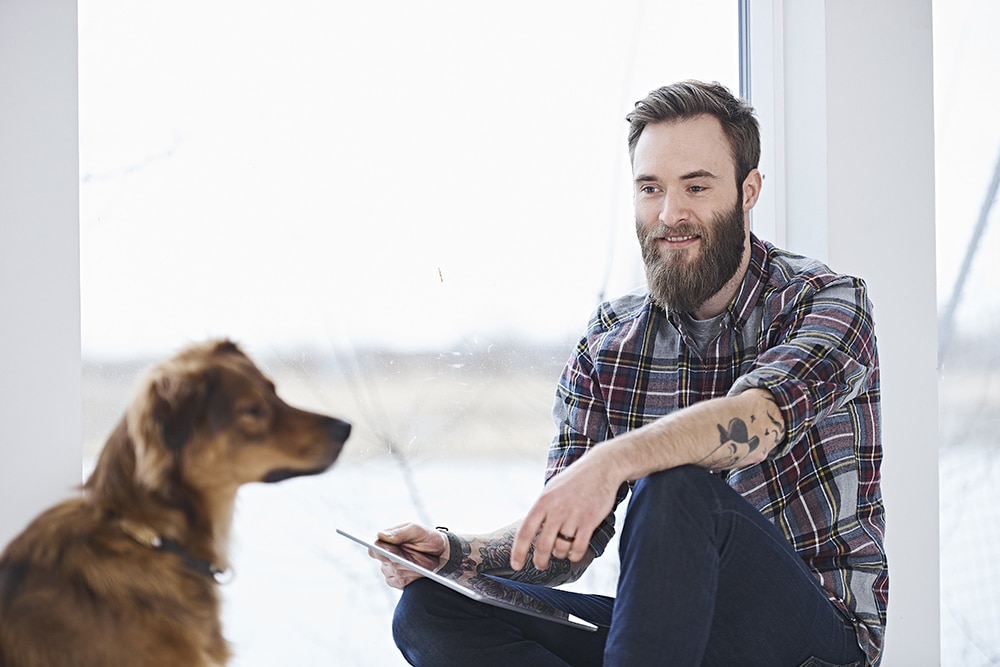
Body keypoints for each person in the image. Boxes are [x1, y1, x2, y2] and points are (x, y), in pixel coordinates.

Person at [372, 80, 888, 667]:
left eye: (696, 186)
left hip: (808, 642)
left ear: (748, 192)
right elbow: (567, 547)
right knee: (431, 609)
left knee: (675, 485)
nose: (670, 214)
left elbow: (757, 419)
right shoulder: (609, 343)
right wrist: (452, 552)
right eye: (651, 189)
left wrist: (614, 461)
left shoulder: (825, 301)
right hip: (665, 632)